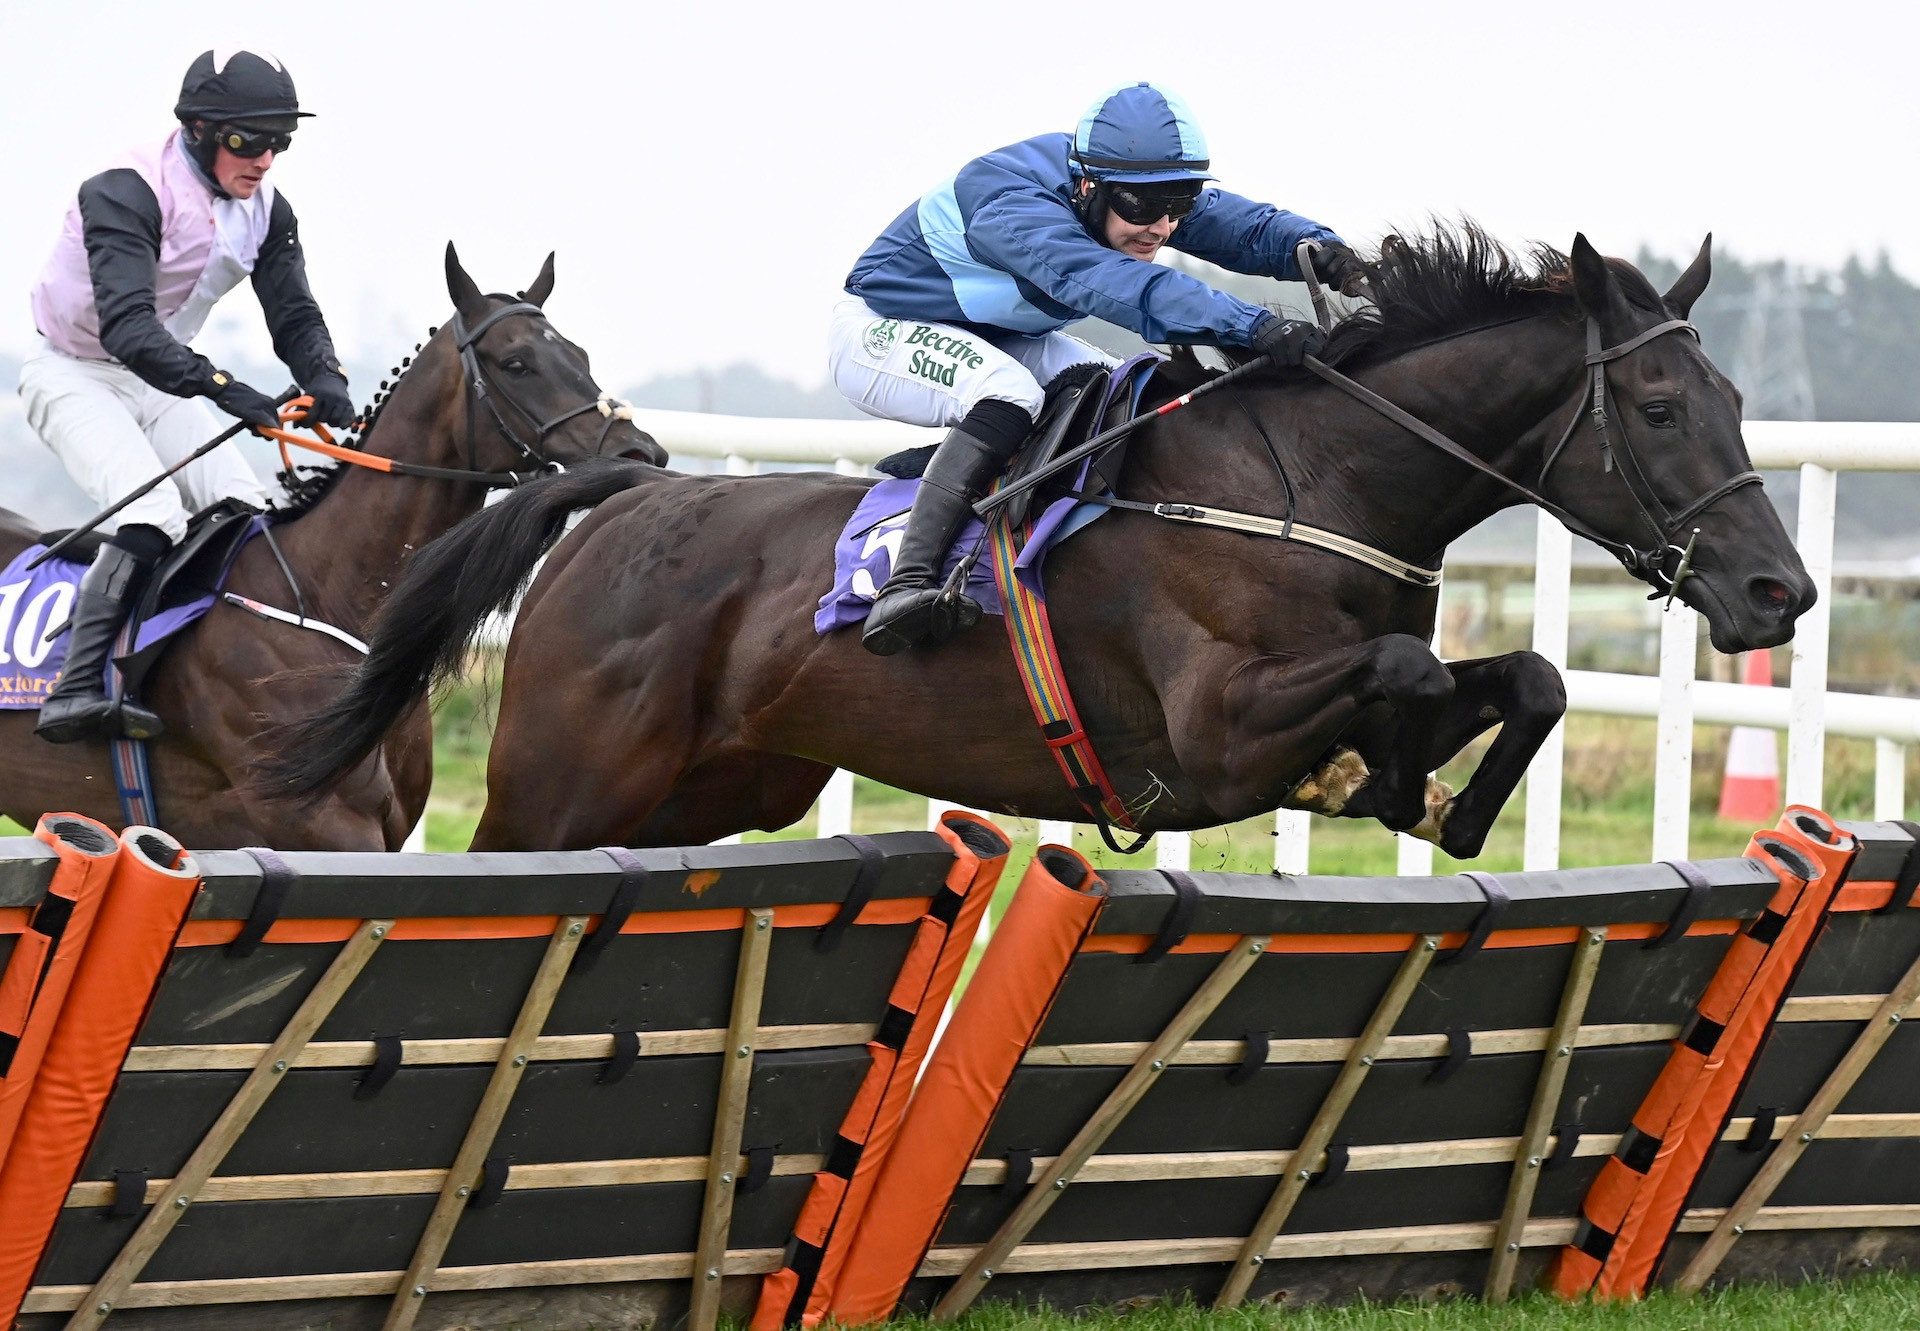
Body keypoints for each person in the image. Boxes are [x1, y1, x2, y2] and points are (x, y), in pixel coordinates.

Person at [831, 81, 1365, 656]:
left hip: (1000, 334)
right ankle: (907, 582)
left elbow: (1244, 227)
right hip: (879, 330)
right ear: (1087, 184)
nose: (1159, 228)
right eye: (1141, 207)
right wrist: (1253, 326)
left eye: (1177, 206)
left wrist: (1318, 248)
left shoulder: (1130, 187)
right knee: (1007, 393)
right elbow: (1125, 288)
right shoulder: (1014, 207)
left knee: (1124, 387)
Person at [20, 48, 355, 743]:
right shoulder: (126, 187)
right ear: (199, 129)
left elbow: (293, 313)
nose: (263, 160)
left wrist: (327, 379)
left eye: (278, 144)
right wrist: (227, 389)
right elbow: (130, 328)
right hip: (75, 372)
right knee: (153, 511)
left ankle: (197, 675)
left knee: (245, 515)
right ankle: (74, 689)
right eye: (247, 141)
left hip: (158, 379)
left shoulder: (266, 211)